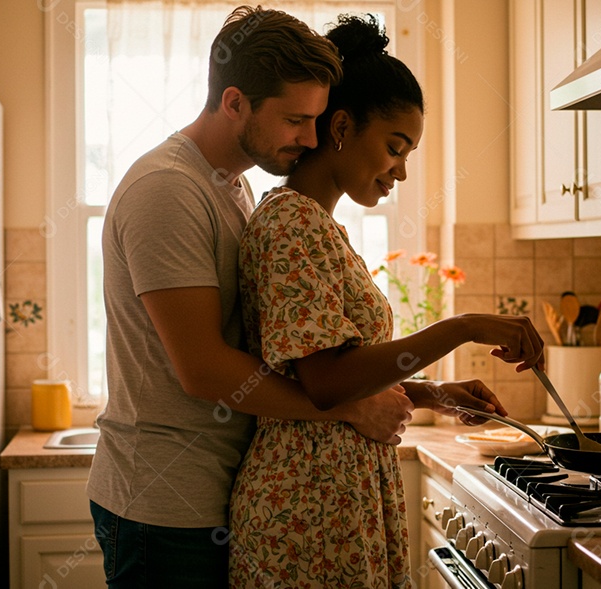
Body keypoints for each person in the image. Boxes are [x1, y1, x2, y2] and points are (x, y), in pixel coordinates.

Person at [87, 7, 415, 588]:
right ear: (234, 101)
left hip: (211, 491)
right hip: (162, 505)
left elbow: (275, 352)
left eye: (317, 120)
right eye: (295, 120)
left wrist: (416, 391)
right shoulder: (167, 190)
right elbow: (205, 370)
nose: (312, 139)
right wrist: (349, 406)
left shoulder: (233, 189)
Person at [229, 14, 544, 588]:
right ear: (342, 127)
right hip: (304, 512)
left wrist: (433, 393)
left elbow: (330, 374)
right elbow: (325, 383)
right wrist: (466, 326)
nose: (400, 171)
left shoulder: (321, 227)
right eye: (395, 148)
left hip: (332, 502)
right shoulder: (289, 222)